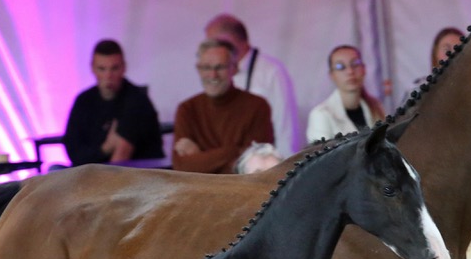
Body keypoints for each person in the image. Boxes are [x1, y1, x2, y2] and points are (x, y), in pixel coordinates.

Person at [171, 40, 274, 174]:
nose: (213, 75)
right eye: (206, 67)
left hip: (242, 192)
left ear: (234, 68)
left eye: (220, 67)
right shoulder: (187, 109)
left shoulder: (257, 106)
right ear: (198, 69)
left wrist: (201, 156)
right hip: (195, 192)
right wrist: (235, 151)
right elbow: (181, 167)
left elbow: (256, 168)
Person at [204, 13, 298, 156]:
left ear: (230, 41)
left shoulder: (271, 71)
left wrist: (287, 171)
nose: (210, 50)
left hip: (264, 163)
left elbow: (285, 126)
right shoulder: (217, 72)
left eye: (212, 44)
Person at [62, 40, 163, 165]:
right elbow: (74, 152)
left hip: (134, 176)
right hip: (94, 174)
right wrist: (105, 148)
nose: (108, 75)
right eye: (102, 69)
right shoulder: (83, 101)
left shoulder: (136, 100)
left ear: (123, 68)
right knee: (53, 171)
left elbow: (121, 159)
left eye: (114, 68)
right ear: (93, 68)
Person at [306, 45, 386, 144]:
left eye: (355, 64)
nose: (350, 71)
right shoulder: (321, 115)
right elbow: (322, 158)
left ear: (364, 69)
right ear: (332, 75)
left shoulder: (376, 107)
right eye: (340, 67)